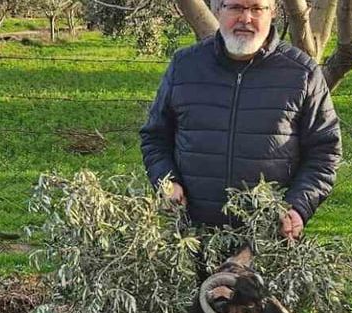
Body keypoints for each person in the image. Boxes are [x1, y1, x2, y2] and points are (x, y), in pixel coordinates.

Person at [139, 0, 341, 241]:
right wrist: (167, 181)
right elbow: (155, 137)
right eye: (236, 7)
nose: (246, 18)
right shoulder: (185, 66)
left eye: (256, 8)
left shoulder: (302, 73)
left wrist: (297, 206)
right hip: (191, 237)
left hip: (266, 239)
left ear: (272, 12)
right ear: (218, 10)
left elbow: (324, 152)